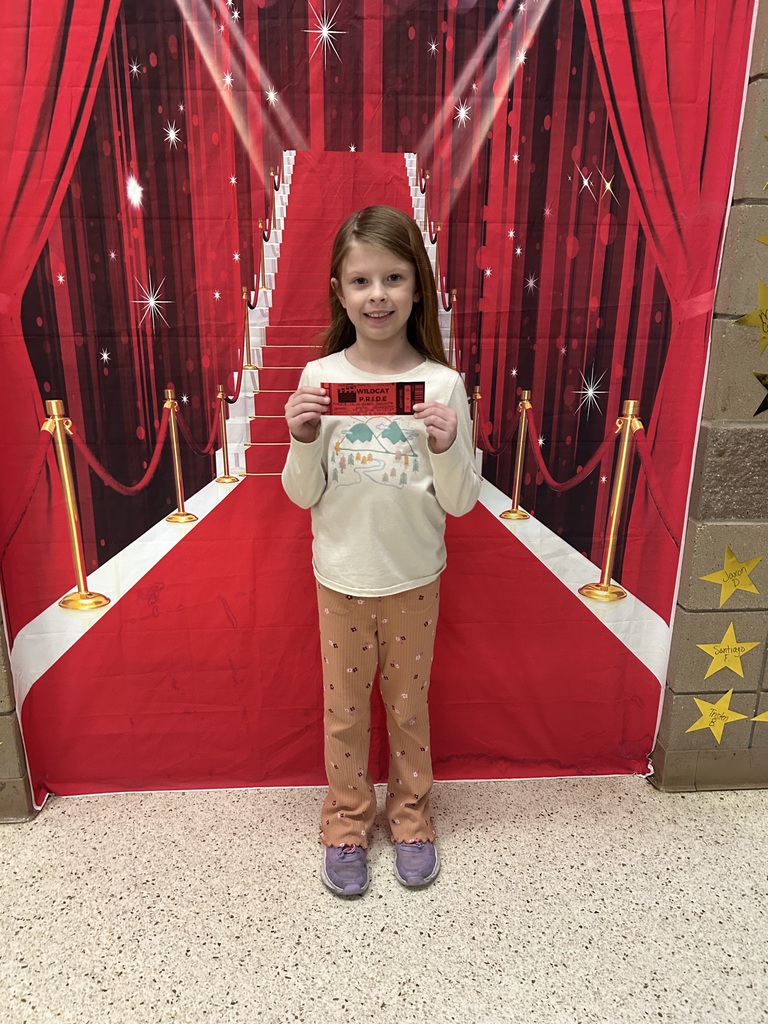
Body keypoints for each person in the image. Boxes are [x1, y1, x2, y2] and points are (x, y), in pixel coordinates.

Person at [282, 205, 481, 897]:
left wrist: (450, 444)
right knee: (343, 712)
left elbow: (461, 502)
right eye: (361, 280)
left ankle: (412, 817)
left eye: (394, 278)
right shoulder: (319, 378)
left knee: (407, 706)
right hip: (339, 577)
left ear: (417, 287)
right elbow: (301, 495)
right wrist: (303, 441)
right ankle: (345, 823)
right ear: (338, 290)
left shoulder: (442, 386)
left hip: (413, 578)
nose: (377, 295)